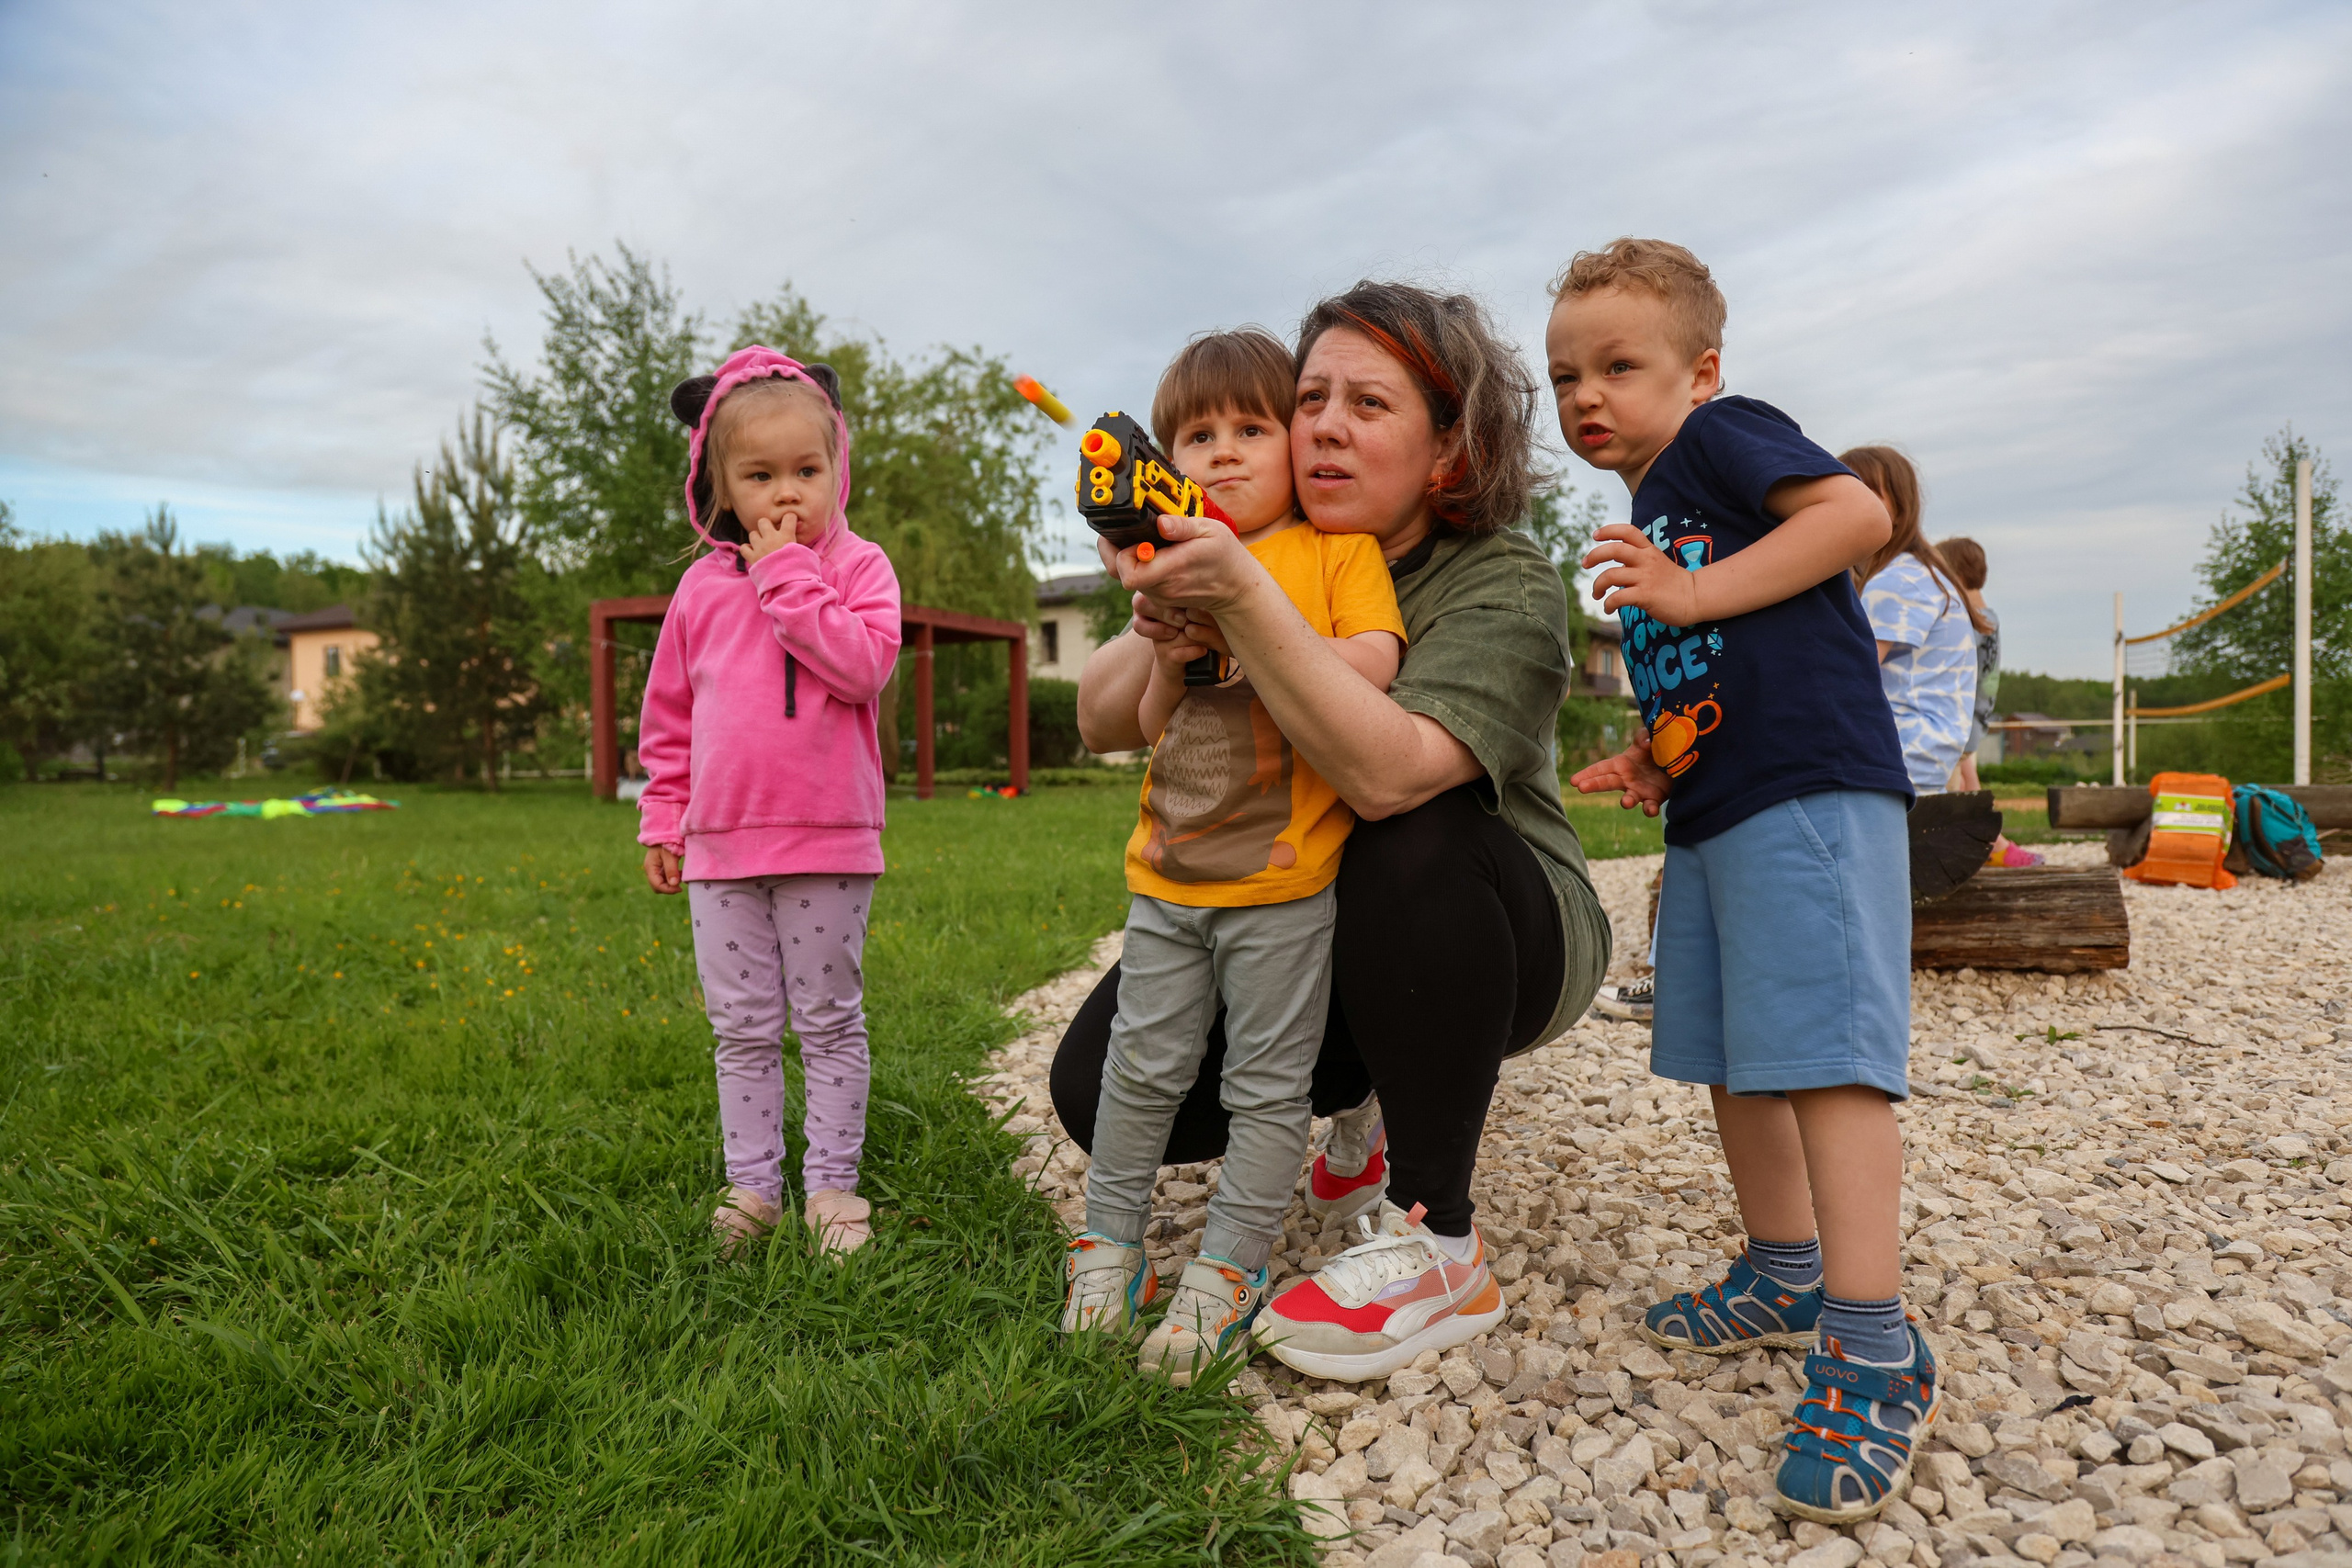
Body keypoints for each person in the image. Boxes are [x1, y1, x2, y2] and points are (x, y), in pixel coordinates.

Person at [1057, 282, 1611, 1382]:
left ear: (1449, 447)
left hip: (1496, 920)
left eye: (1369, 403)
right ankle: (1361, 1101)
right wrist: (1171, 614)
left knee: (1404, 835)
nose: (1322, 424)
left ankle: (1439, 1240)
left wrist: (1242, 600)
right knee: (1096, 1089)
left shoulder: (1501, 579)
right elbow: (1100, 719)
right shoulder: (1262, 543)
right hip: (1282, 902)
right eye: (1308, 396)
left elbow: (1390, 774)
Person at [1557, 239, 1936, 1524]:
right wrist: (1655, 753)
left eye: (1618, 364)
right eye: (1565, 376)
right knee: (1733, 1052)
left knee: (1828, 1055)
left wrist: (1692, 583)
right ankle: (1784, 1269)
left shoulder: (1723, 439)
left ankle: (1875, 1338)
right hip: (1717, 802)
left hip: (1809, 789)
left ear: (1701, 368)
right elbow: (1716, 662)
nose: (1585, 396)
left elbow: (1855, 519)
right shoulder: (1655, 503)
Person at [1060, 329, 1408, 1384]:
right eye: (1194, 436)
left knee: (1266, 1087)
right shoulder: (1168, 572)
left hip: (1284, 884)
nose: (1221, 453)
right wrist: (1167, 646)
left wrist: (1249, 618)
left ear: (1293, 445)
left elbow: (1372, 664)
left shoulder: (1331, 554)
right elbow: (1153, 716)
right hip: (1166, 875)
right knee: (1140, 1069)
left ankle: (1228, 1268)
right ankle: (1107, 1250)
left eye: (1250, 429)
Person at [636, 346, 903, 1258]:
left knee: (828, 1022)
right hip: (719, 849)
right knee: (742, 1030)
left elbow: (863, 667)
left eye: (806, 470)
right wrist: (663, 815)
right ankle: (753, 1188)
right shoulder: (700, 591)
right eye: (759, 476)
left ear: (837, 470)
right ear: (719, 486)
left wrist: (789, 576)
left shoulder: (859, 568)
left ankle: (832, 1186)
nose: (786, 493)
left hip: (827, 840)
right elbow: (669, 715)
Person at [1842, 446, 1987, 797]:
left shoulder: (1897, 580)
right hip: (1929, 750)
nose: (1849, 502)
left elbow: (1850, 672)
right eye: (1844, 490)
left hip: (1900, 749)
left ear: (1899, 507)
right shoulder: (1924, 572)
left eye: (1868, 491)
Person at [1938, 535, 2041, 864]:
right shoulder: (1990, 617)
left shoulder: (1964, 620)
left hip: (1961, 718)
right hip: (1979, 718)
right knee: (1968, 789)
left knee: (1958, 794)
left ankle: (1990, 849)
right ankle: (1992, 848)